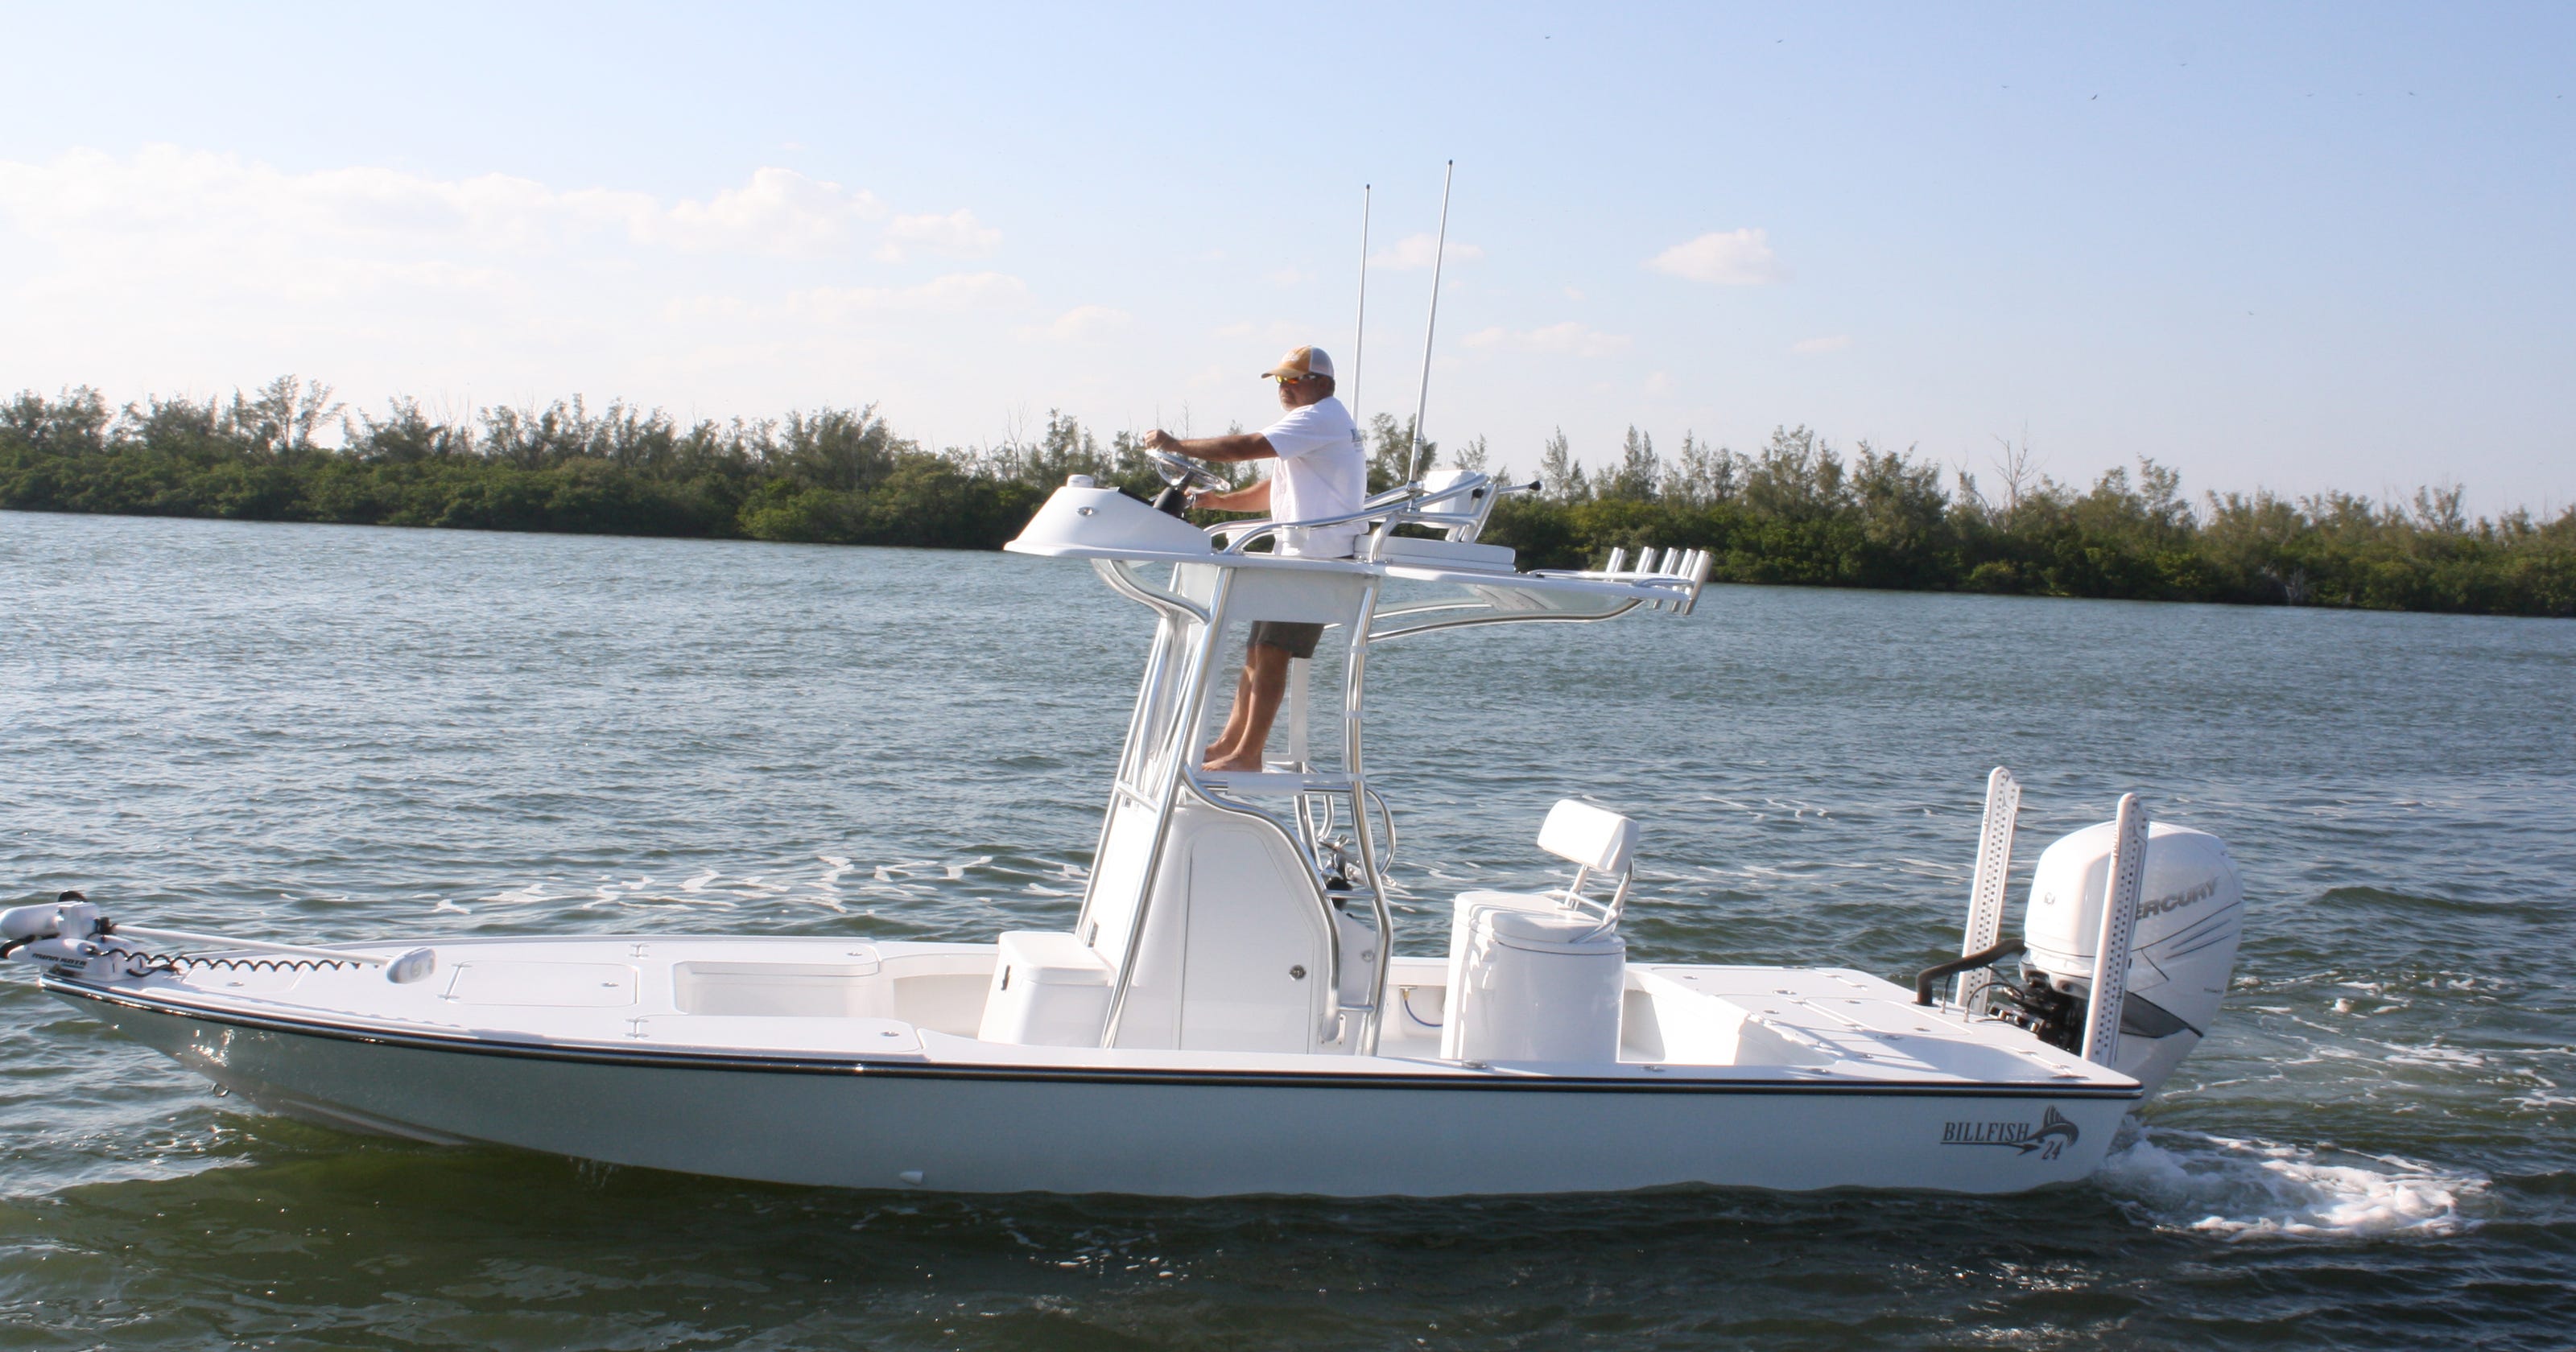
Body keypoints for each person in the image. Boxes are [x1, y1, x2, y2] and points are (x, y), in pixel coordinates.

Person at [1141, 344, 1365, 773]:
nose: (1283, 387)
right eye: (1280, 380)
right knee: (1256, 651)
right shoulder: (1310, 426)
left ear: (1322, 383)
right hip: (1296, 554)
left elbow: (1245, 446)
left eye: (1293, 379)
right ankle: (1229, 744)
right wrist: (1219, 501)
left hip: (1319, 559)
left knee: (1274, 650)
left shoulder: (1321, 418)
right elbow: (1275, 489)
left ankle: (1249, 755)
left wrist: (1177, 444)